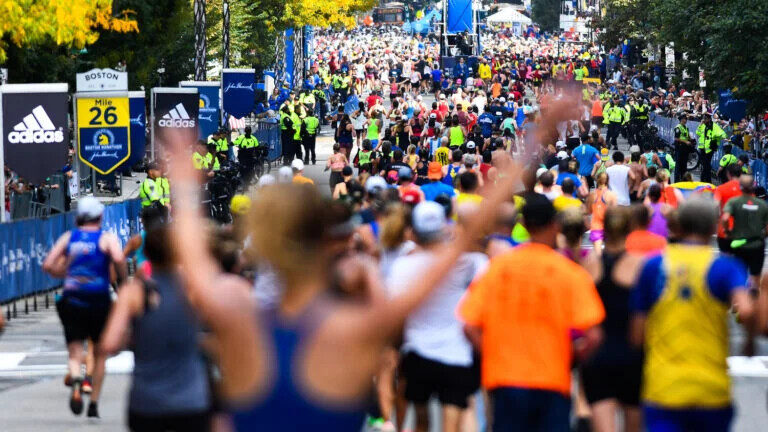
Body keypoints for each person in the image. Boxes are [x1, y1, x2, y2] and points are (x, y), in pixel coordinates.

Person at [163, 128, 522, 431]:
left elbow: (191, 251)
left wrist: (182, 178)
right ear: (329, 241)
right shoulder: (355, 328)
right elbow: (457, 248)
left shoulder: (236, 319)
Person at [459, 195, 605, 432]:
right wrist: (571, 357)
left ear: (523, 225)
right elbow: (594, 335)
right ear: (555, 225)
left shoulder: (497, 269)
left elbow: (468, 325)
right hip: (553, 379)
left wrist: (493, 354)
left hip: (506, 378)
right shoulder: (570, 273)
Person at [631, 197, 754, 432]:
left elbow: (637, 336)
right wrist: (749, 342)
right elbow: (746, 310)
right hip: (711, 391)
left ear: (678, 226)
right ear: (712, 228)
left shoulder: (653, 266)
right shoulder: (726, 267)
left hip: (663, 388)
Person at [101, 221, 213, 432]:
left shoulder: (134, 293)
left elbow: (109, 343)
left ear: (146, 254)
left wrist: (136, 337)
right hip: (191, 400)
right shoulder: (193, 289)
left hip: (147, 401)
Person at [387, 201, 487, 432]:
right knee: (452, 425)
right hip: (457, 355)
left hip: (417, 353)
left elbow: (395, 314)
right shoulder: (469, 263)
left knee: (421, 422)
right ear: (444, 228)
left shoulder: (402, 266)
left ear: (413, 233)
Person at [42, 197, 127, 418]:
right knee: (99, 352)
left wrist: (67, 273)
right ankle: (94, 404)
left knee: (74, 351)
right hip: (98, 299)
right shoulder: (106, 238)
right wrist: (124, 281)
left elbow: (48, 264)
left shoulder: (69, 238)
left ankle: (77, 380)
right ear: (99, 216)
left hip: (73, 298)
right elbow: (119, 258)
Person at [580, 207, 644, 432]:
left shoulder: (590, 265)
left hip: (597, 355)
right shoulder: (640, 266)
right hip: (632, 355)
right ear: (630, 230)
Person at [721, 175, 768, 290]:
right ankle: (753, 293)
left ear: (741, 187)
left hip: (739, 244)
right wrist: (763, 236)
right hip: (757, 245)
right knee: (755, 277)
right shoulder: (762, 205)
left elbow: (725, 218)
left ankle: (739, 295)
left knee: (739, 274)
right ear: (753, 187)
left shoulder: (734, 202)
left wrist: (728, 231)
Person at [714, 163, 743, 254]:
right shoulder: (747, 189)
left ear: (728, 174)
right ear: (741, 174)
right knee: (740, 260)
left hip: (724, 231)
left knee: (726, 259)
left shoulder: (721, 188)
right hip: (742, 231)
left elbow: (715, 205)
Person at [586, 172, 617, 253]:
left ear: (597, 180)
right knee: (610, 253)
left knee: (597, 253)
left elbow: (588, 211)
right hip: (609, 226)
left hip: (596, 226)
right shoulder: (612, 195)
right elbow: (614, 213)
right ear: (608, 181)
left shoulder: (592, 195)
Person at [696, 114, 727, 184]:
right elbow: (697, 132)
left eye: (705, 118)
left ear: (709, 119)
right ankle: (707, 180)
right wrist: (700, 124)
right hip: (702, 148)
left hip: (710, 148)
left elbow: (722, 133)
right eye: (704, 118)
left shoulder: (714, 126)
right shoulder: (703, 125)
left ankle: (703, 180)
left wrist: (724, 137)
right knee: (705, 165)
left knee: (706, 164)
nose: (704, 120)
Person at [674, 115, 693, 182]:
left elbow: (687, 136)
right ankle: (676, 181)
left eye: (686, 119)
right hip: (680, 148)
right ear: (681, 119)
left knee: (684, 165)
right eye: (685, 119)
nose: (686, 120)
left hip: (685, 148)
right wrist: (686, 142)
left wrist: (691, 139)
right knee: (678, 165)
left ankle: (684, 180)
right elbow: (676, 138)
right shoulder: (678, 127)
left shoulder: (686, 127)